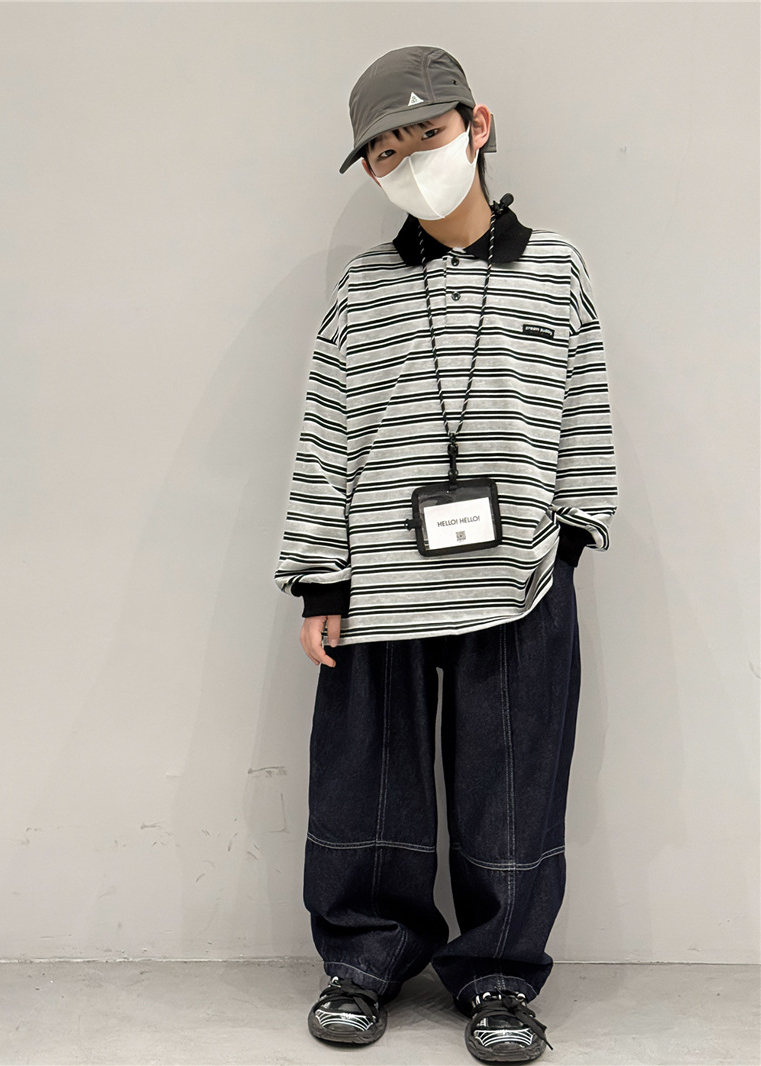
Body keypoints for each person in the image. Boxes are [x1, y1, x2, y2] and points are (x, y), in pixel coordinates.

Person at [274, 45, 617, 1064]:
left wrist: (570, 533)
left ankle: (499, 975)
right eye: (385, 151)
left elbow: (583, 407)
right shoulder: (362, 291)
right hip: (380, 580)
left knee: (511, 786)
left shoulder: (555, 267)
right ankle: (362, 960)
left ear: (476, 125)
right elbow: (327, 435)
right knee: (366, 780)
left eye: (426, 134)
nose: (410, 161)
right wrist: (320, 576)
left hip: (520, 582)